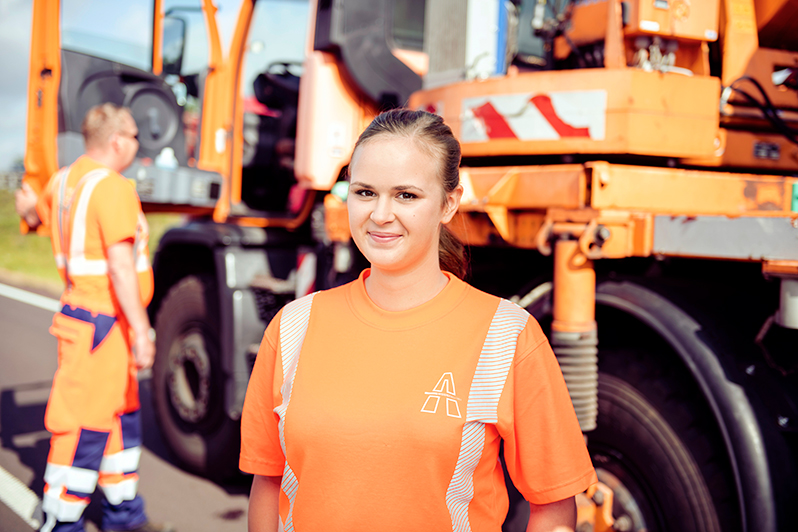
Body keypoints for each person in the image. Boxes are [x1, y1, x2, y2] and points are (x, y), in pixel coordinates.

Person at [239, 109, 596, 532]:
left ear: (449, 203)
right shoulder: (292, 326)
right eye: (364, 192)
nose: (380, 214)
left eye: (406, 195)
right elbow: (269, 480)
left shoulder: (506, 335)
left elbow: (554, 506)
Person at [15, 103, 173, 532]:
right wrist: (143, 331)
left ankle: (123, 512)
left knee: (118, 416)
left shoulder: (64, 180)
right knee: (84, 425)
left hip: (90, 321)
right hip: (105, 324)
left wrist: (26, 203)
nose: (140, 146)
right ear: (118, 140)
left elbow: (34, 216)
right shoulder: (113, 187)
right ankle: (61, 521)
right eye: (136, 137)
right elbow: (121, 267)